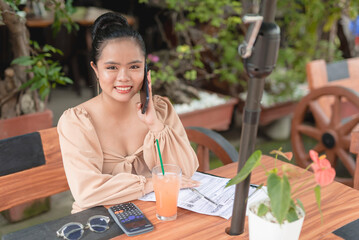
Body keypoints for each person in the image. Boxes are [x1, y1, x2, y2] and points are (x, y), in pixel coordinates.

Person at [57, 12, 199, 213]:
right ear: (95, 69)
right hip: (100, 222)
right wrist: (150, 184)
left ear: (145, 69)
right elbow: (87, 192)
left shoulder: (160, 109)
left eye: (134, 66)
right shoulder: (76, 122)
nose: (123, 77)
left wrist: (154, 125)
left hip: (155, 214)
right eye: (112, 67)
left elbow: (185, 172)